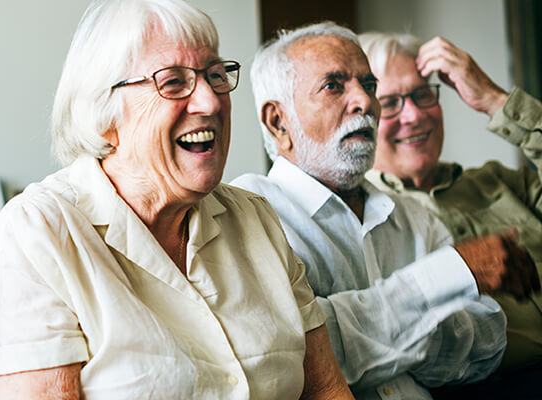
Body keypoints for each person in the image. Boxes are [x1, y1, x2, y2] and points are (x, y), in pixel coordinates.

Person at [0, 1, 353, 399]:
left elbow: (327, 390)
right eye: (174, 82)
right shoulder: (36, 236)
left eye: (215, 75)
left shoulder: (256, 219)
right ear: (105, 113)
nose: (211, 101)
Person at [230, 22, 539, 399]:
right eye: (334, 85)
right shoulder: (249, 211)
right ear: (279, 122)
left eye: (369, 85)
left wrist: (363, 328)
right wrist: (449, 276)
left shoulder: (411, 215)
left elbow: (486, 343)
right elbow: (296, 357)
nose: (365, 102)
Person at [360, 32, 542, 382]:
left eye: (422, 94)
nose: (413, 115)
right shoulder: (367, 221)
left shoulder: (499, 181)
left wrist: (494, 100)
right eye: (390, 102)